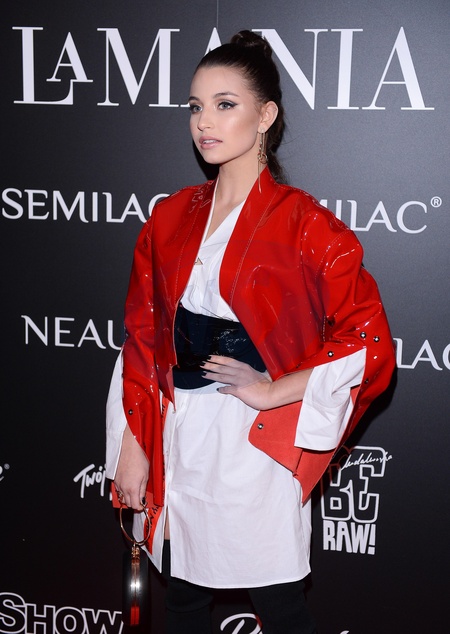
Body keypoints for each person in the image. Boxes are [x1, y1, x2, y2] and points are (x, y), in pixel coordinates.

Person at [106, 30, 395, 634]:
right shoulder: (169, 216)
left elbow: (368, 343)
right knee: (182, 598)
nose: (204, 122)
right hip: (180, 433)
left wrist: (272, 389)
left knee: (281, 604)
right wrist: (134, 443)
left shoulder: (306, 224)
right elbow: (144, 337)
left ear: (266, 116)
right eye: (195, 106)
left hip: (253, 444)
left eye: (225, 104)